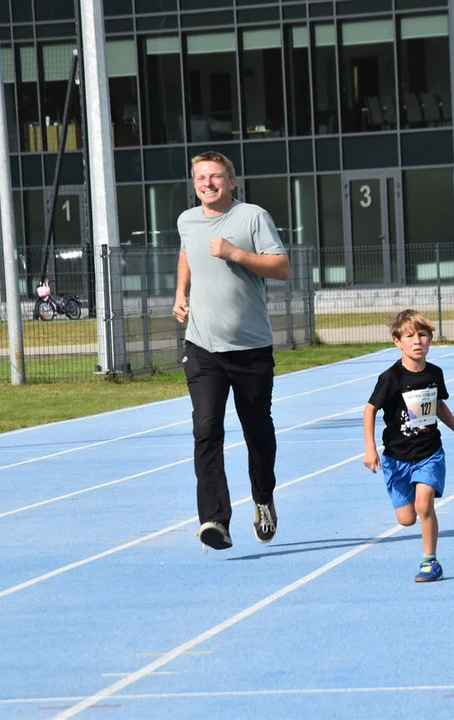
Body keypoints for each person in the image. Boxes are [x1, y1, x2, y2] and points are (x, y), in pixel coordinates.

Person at [172, 151, 291, 551]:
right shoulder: (186, 221)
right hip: (202, 345)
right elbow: (188, 251)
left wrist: (235, 253)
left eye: (215, 177)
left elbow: (281, 267)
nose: (207, 183)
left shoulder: (252, 217)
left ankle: (262, 498)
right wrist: (180, 292)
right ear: (194, 183)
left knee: (258, 433)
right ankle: (214, 520)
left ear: (232, 181)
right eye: (201, 178)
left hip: (251, 348)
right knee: (206, 429)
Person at [363, 310, 454, 583]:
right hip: (396, 458)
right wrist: (370, 448)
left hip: (429, 453)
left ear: (430, 339)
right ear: (397, 341)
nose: (417, 341)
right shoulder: (391, 378)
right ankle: (412, 509)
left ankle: (430, 561)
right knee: (406, 519)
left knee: (425, 505)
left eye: (422, 335)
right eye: (409, 336)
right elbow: (370, 410)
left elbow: (438, 406)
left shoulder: (435, 373)